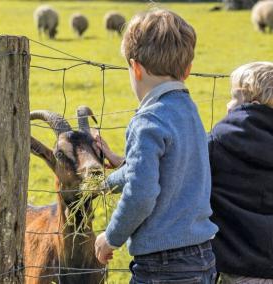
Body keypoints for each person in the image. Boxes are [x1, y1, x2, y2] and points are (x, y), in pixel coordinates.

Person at [93, 8, 218, 283]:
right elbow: (151, 171)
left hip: (163, 267)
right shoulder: (188, 110)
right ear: (187, 70)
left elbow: (142, 193)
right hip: (202, 256)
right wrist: (105, 184)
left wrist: (110, 238)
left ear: (135, 68)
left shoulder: (147, 121)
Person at [209, 62, 273, 284]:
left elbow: (184, 176)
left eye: (233, 98)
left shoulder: (216, 145)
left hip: (232, 268)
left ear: (250, 105)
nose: (227, 104)